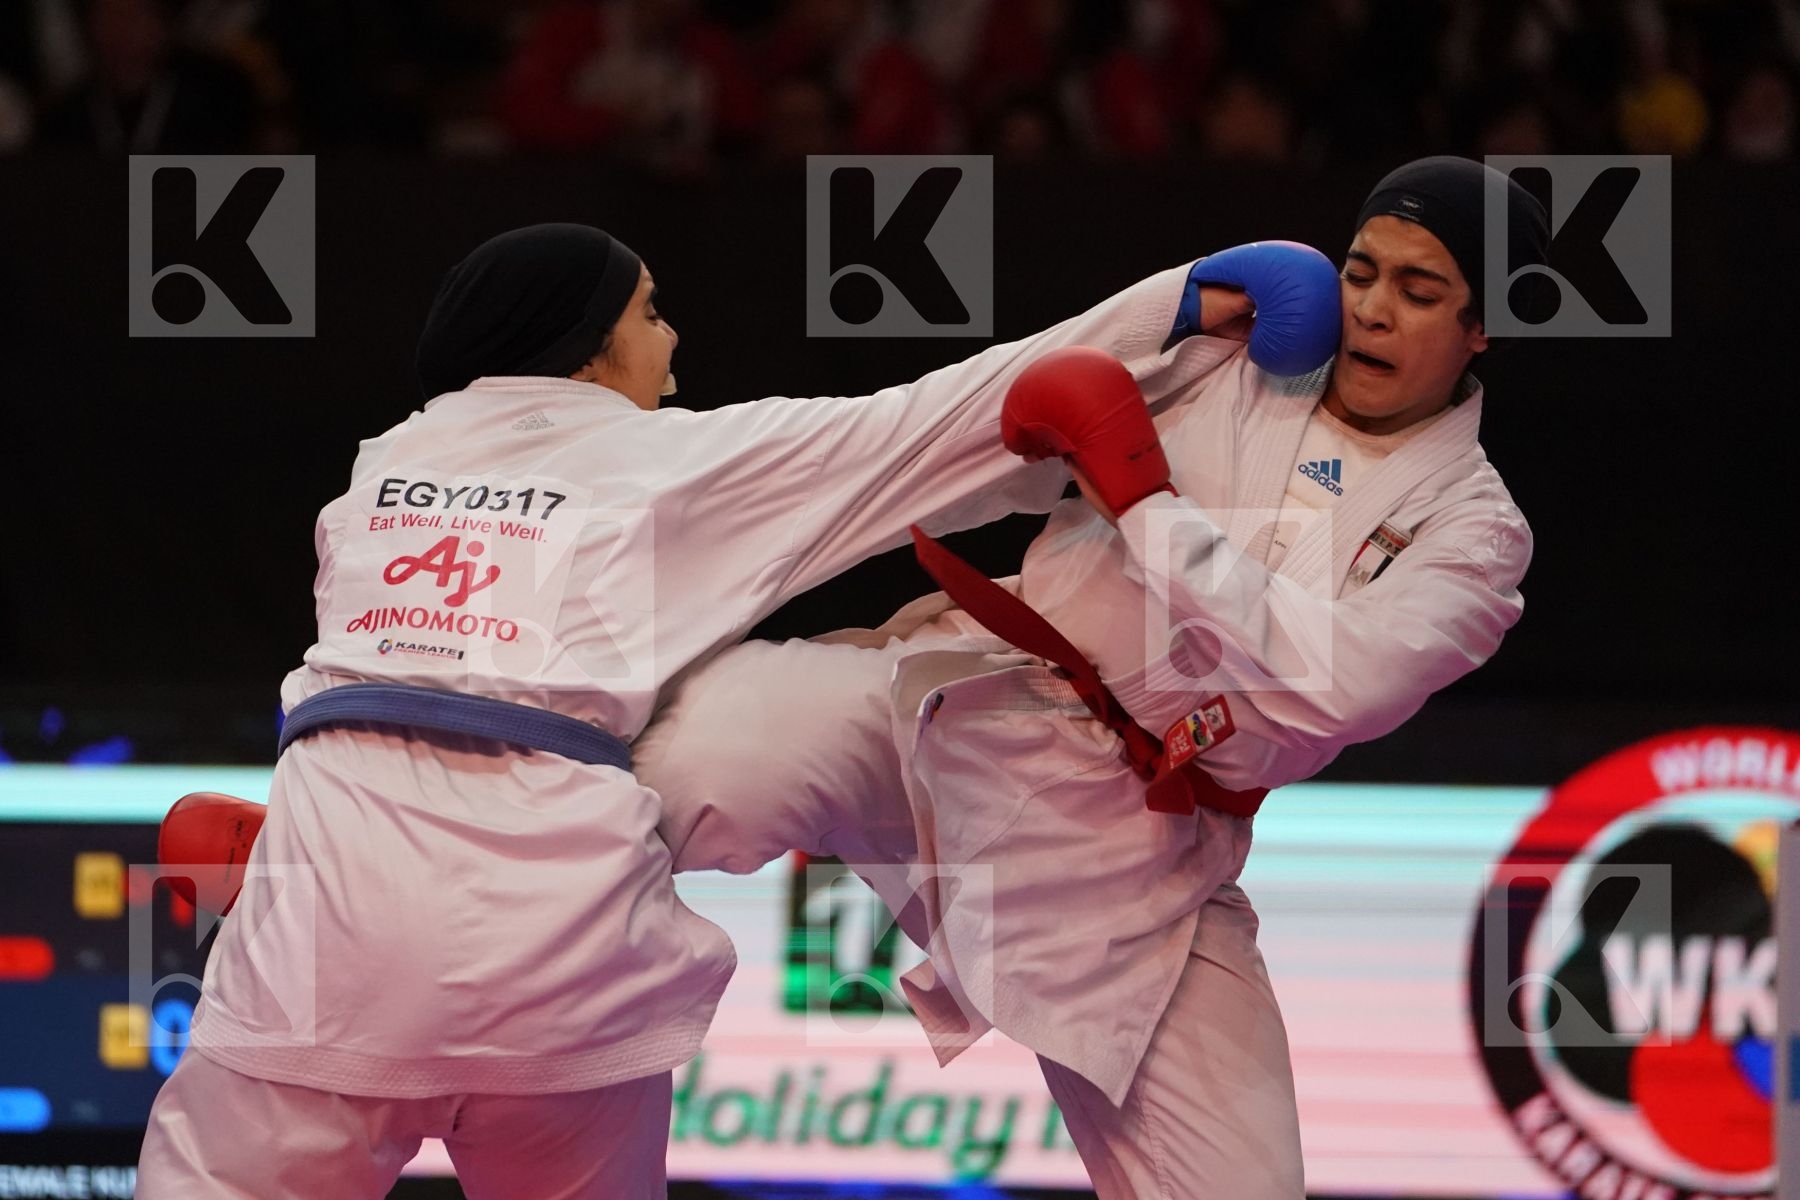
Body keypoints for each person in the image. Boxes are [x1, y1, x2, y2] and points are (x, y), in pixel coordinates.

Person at [138, 221, 1334, 1198]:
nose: (674, 335)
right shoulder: (668, 462)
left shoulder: (365, 479)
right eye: (651, 312)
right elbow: (935, 422)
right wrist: (1182, 305)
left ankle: (281, 859)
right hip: (556, 977)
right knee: (690, 721)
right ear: (591, 347)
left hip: (322, 940)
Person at [630, 156, 1552, 1198]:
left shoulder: (1476, 534)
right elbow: (1010, 408)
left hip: (1146, 858)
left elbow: (1333, 686)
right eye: (1360, 272)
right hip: (969, 708)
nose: (1374, 310)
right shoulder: (1232, 363)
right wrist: (1175, 296)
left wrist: (1148, 509)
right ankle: (484, 941)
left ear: (1483, 329)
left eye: (1419, 292)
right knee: (701, 751)